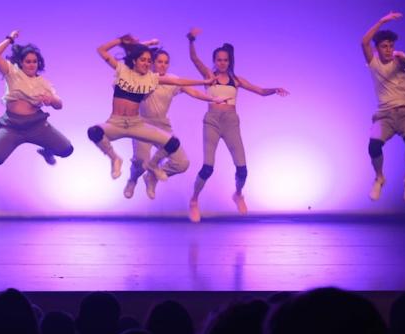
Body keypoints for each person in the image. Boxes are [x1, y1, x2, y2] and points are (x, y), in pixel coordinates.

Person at [186, 28, 289, 222]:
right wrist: (191, 40)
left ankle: (238, 194)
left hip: (231, 122)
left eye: (225, 60)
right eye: (219, 60)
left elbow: (260, 91)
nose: (222, 63)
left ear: (229, 61)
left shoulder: (237, 80)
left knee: (242, 169)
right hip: (212, 121)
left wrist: (275, 89)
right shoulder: (209, 75)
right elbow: (194, 59)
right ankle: (194, 200)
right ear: (214, 61)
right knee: (208, 168)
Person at [87, 35, 211, 183]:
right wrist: (121, 40)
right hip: (118, 122)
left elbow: (178, 81)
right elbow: (102, 50)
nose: (147, 63)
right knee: (95, 132)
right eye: (144, 60)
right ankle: (117, 162)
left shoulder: (150, 78)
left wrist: (204, 82)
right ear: (136, 61)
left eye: (149, 61)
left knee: (173, 144)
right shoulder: (124, 70)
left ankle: (153, 167)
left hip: (139, 124)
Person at [123, 47, 229, 200]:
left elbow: (193, 92)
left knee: (182, 163)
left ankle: (151, 176)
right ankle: (132, 180)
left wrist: (213, 99)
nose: (163, 65)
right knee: (140, 162)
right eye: (160, 62)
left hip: (162, 125)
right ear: (152, 63)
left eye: (166, 62)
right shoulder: (145, 77)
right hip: (142, 124)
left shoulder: (172, 79)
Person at [0, 30, 73, 167]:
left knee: (67, 150)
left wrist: (51, 100)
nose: (32, 64)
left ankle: (47, 151)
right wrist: (10, 39)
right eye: (28, 62)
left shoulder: (43, 83)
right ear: (21, 63)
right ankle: (11, 141)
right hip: (11, 126)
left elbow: (59, 104)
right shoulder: (13, 73)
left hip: (37, 126)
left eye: (34, 62)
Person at [360, 11, 405, 202]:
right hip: (384, 115)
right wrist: (382, 21)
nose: (389, 49)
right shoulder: (374, 64)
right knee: (373, 146)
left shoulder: (399, 59)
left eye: (391, 46)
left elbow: (404, 61)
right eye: (384, 46)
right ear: (377, 49)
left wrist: (398, 55)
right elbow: (364, 42)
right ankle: (379, 178)